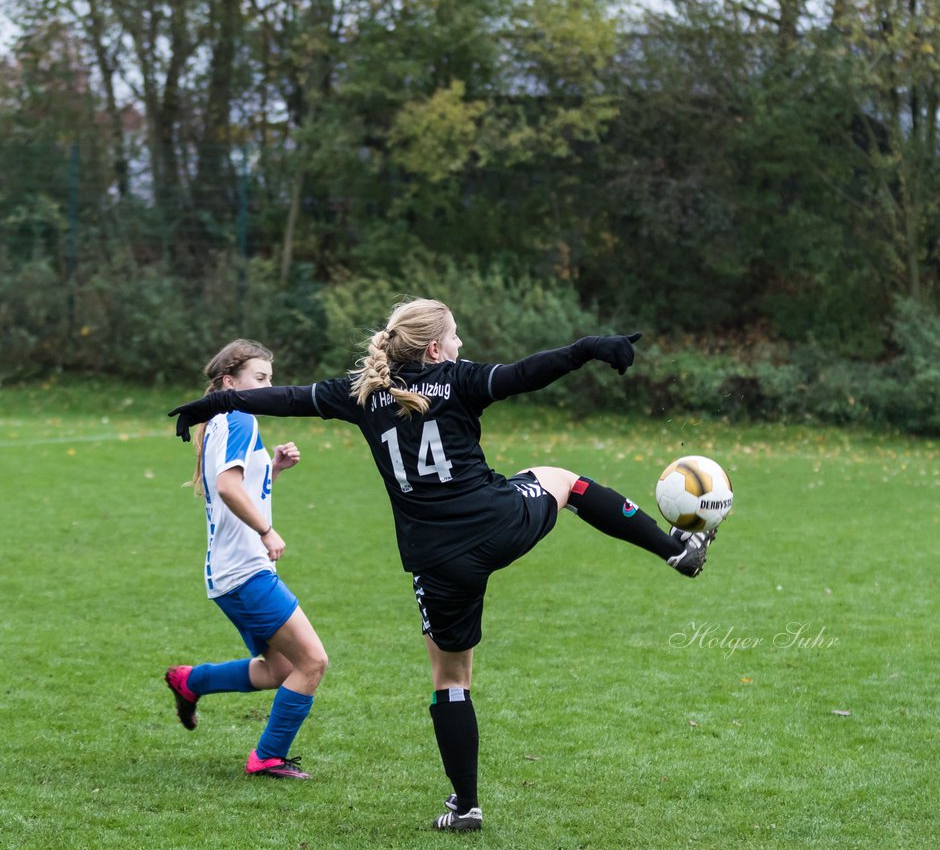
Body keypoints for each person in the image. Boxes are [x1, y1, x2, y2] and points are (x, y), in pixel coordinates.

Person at [168, 300, 716, 829]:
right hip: (496, 523)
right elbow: (528, 373)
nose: (461, 345)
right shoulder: (458, 379)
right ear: (434, 350)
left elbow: (286, 399)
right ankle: (678, 551)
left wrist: (215, 404)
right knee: (564, 481)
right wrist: (587, 348)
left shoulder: (358, 394)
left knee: (451, 680)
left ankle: (466, 807)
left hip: (436, 562)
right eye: (455, 336)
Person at [163, 339, 328, 780]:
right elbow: (230, 488)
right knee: (313, 662)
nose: (266, 387)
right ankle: (267, 756)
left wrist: (271, 469)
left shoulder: (220, 422)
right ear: (229, 382)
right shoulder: (238, 417)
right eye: (259, 379)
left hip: (231, 572)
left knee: (280, 668)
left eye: (269, 380)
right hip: (245, 571)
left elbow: (237, 484)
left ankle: (190, 681)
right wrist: (267, 530)